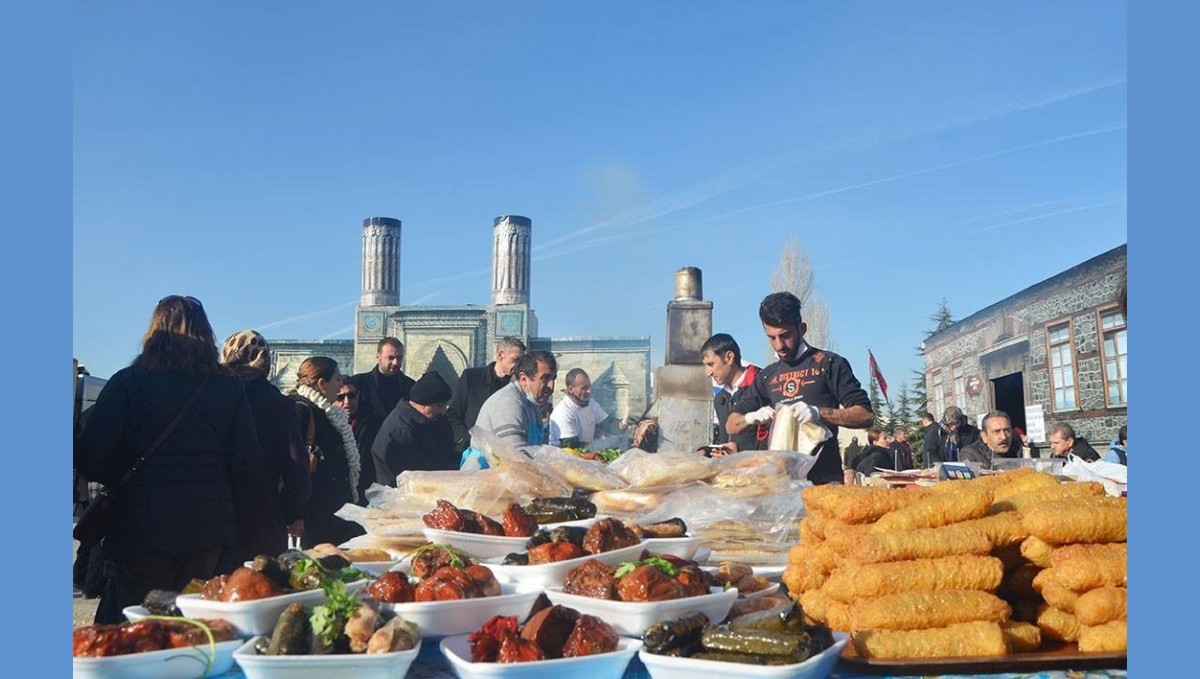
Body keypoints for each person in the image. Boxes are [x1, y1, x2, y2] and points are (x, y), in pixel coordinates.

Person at [74, 295, 262, 623]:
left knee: (140, 621)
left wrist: (122, 478)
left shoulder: (127, 383)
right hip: (205, 530)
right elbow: (247, 464)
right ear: (207, 335)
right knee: (191, 621)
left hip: (139, 527)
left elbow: (90, 456)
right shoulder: (228, 390)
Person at [726, 292, 874, 485]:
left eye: (785, 336)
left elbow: (865, 415)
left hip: (825, 483)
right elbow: (731, 424)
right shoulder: (767, 375)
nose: (779, 345)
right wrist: (750, 418)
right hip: (782, 486)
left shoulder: (829, 364)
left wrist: (819, 413)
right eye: (772, 338)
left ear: (801, 328)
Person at [214, 330, 312, 574]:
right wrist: (291, 513)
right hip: (262, 515)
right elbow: (295, 467)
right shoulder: (278, 404)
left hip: (214, 514)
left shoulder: (213, 399)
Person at [289, 356, 366, 547]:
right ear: (322, 384)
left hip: (333, 512)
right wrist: (295, 514)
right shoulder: (302, 410)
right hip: (315, 515)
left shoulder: (327, 413)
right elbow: (292, 466)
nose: (341, 385)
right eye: (338, 379)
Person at [371, 372, 457, 485]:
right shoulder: (400, 431)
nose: (443, 410)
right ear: (423, 404)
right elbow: (418, 474)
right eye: (440, 405)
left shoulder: (435, 419)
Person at [353, 337, 417, 488]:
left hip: (398, 457)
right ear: (378, 356)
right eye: (391, 357)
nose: (395, 363)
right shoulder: (359, 383)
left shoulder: (410, 386)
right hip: (365, 455)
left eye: (399, 358)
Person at [447, 337, 527, 453]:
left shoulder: (517, 386)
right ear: (500, 356)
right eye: (515, 360)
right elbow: (453, 413)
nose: (519, 366)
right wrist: (466, 440)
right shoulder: (471, 378)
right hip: (473, 452)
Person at [700, 333, 766, 456]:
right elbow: (727, 444)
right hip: (731, 473)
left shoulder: (764, 387)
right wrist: (707, 451)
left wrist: (741, 450)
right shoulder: (720, 400)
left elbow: (781, 438)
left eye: (711, 364)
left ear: (729, 357)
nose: (708, 373)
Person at [474, 350, 558, 447]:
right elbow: (515, 456)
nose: (551, 386)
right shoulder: (508, 403)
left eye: (553, 378)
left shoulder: (533, 406)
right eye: (545, 378)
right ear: (523, 379)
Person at [549, 368, 611, 449]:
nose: (589, 391)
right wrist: (601, 445)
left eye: (589, 387)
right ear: (571, 389)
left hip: (584, 454)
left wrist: (623, 423)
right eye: (584, 388)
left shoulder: (592, 404)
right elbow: (570, 445)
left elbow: (607, 423)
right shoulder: (563, 411)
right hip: (563, 456)